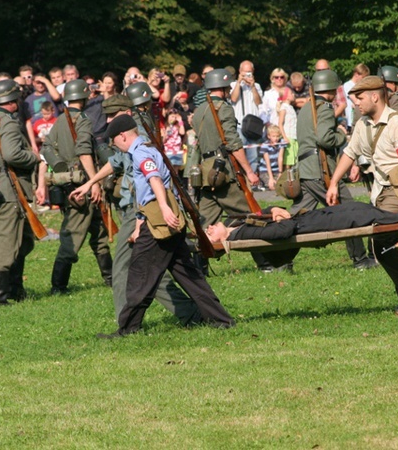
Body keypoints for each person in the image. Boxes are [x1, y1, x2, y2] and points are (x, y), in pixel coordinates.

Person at [94, 115, 234, 338]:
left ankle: (128, 329)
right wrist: (141, 221)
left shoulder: (140, 152)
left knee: (140, 275)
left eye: (114, 141)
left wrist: (164, 208)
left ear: (122, 136)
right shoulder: (149, 149)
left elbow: (155, 181)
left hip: (160, 220)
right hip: (158, 218)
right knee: (189, 275)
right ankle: (221, 319)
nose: (114, 146)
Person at [69, 96, 202, 325]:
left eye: (112, 115)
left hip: (141, 210)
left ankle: (125, 322)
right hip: (140, 209)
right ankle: (189, 312)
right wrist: (92, 182)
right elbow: (117, 161)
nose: (109, 120)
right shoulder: (129, 133)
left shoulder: (134, 134)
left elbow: (151, 176)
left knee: (122, 267)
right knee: (153, 266)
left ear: (125, 112)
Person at [326, 76, 398, 311]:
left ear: (375, 96)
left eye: (359, 98)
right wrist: (333, 183)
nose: (355, 103)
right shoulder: (363, 125)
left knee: (382, 241)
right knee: (395, 244)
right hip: (380, 190)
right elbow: (350, 153)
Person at [192, 68, 274, 272]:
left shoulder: (198, 111)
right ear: (222, 87)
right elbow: (232, 142)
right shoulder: (224, 109)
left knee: (205, 223)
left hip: (204, 173)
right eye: (227, 87)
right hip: (223, 173)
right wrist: (249, 171)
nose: (229, 90)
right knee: (250, 216)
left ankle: (196, 269)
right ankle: (266, 264)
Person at [293, 70, 376, 270]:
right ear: (330, 88)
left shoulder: (307, 108)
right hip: (322, 171)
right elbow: (324, 139)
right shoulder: (324, 108)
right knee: (348, 210)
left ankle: (279, 259)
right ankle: (360, 259)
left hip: (305, 170)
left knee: (294, 217)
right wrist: (341, 137)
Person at [38, 79, 112, 294]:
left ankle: (111, 279)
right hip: (82, 184)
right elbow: (84, 152)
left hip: (69, 182)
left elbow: (47, 148)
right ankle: (58, 287)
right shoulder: (83, 120)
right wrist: (94, 182)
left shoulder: (60, 119)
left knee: (98, 234)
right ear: (85, 96)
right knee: (72, 236)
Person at [0, 79, 40, 306]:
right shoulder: (8, 123)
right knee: (4, 241)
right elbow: (12, 155)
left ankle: (14, 287)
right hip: (8, 189)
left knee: (24, 239)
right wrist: (33, 156)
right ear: (12, 102)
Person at [207, 201, 398, 243]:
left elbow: (260, 213)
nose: (209, 227)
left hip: (313, 217)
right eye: (209, 233)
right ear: (218, 241)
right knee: (368, 217)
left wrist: (272, 209)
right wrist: (282, 217)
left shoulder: (234, 224)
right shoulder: (243, 235)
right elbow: (282, 232)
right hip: (312, 225)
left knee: (365, 208)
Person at [229, 60, 264, 173]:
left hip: (253, 126)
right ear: (240, 71)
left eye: (249, 72)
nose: (247, 75)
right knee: (240, 155)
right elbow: (233, 99)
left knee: (253, 156)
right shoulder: (233, 85)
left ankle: (252, 180)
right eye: (245, 72)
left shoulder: (257, 86)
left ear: (253, 72)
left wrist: (253, 86)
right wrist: (239, 83)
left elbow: (259, 102)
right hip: (239, 124)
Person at [343, 63, 370, 129]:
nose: (364, 80)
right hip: (351, 121)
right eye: (363, 77)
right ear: (356, 74)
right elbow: (356, 101)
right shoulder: (347, 85)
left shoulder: (361, 86)